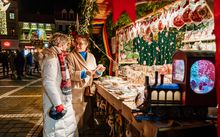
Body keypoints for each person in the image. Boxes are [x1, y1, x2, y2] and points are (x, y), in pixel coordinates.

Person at [66, 34, 106, 135]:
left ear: (86, 44)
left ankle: (85, 133)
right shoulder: (70, 56)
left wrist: (99, 72)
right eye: (76, 43)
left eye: (80, 44)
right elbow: (69, 74)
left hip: (89, 91)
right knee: (77, 118)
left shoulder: (91, 56)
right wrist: (86, 73)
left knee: (88, 116)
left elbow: (94, 75)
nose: (77, 46)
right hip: (77, 91)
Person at [41, 32, 77, 137]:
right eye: (66, 45)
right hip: (57, 104)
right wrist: (58, 104)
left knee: (65, 130)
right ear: (60, 44)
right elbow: (48, 82)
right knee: (57, 131)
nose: (67, 47)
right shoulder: (52, 58)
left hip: (63, 101)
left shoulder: (59, 57)